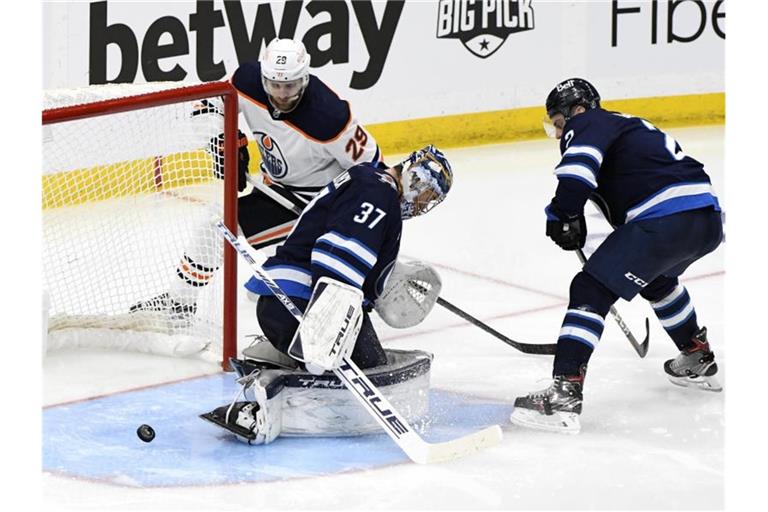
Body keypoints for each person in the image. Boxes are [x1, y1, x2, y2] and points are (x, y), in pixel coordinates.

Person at [510, 78, 723, 434]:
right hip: (705, 220)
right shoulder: (625, 127)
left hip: (664, 220)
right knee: (657, 280)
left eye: (559, 121)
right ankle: (697, 356)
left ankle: (564, 394)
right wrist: (570, 217)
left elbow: (577, 176)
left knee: (589, 290)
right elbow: (614, 208)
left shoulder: (588, 122)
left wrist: (562, 215)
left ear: (576, 109)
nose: (560, 132)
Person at [200, 145, 454, 444]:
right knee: (371, 370)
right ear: (415, 177)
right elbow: (336, 257)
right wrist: (325, 330)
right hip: (300, 303)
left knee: (370, 362)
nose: (423, 203)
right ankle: (261, 398)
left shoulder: (370, 180)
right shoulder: (379, 195)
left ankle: (280, 357)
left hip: (291, 301)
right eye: (427, 193)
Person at [131, 38, 384, 322]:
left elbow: (374, 171)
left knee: (218, 225)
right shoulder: (248, 81)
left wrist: (350, 220)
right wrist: (221, 140)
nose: (281, 94)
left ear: (305, 77)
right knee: (234, 250)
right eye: (274, 85)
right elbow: (210, 103)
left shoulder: (330, 118)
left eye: (290, 85)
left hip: (316, 204)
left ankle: (181, 302)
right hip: (275, 188)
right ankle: (181, 303)